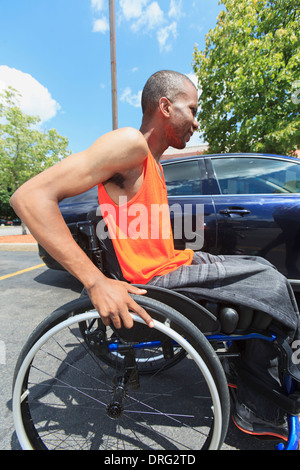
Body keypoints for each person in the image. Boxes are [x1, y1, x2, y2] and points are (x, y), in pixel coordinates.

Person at [10, 70, 300, 442]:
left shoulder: (153, 163)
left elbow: (146, 239)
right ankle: (258, 405)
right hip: (155, 281)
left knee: (261, 267)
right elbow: (29, 197)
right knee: (269, 282)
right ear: (165, 106)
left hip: (170, 265)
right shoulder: (130, 144)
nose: (196, 122)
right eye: (192, 110)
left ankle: (249, 379)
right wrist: (96, 282)